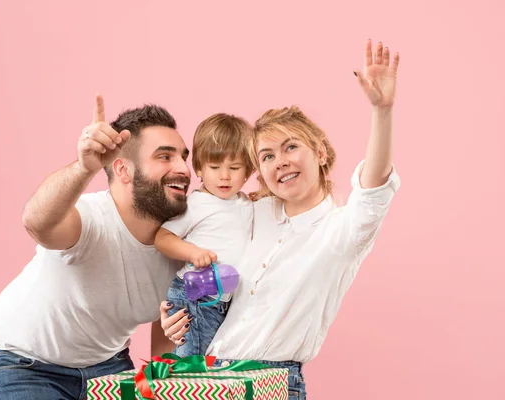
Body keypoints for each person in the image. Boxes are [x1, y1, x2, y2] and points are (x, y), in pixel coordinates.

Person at [160, 39, 402, 400]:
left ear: (320, 152)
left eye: (291, 147)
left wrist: (381, 112)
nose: (281, 161)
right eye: (268, 156)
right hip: (209, 377)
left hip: (271, 384)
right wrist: (178, 317)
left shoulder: (342, 231)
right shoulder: (250, 213)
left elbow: (373, 188)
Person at [0, 95, 190, 400]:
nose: (184, 169)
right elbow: (37, 224)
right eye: (165, 156)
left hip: (109, 365)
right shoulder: (91, 219)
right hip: (29, 363)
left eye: (183, 157)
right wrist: (84, 169)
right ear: (122, 170)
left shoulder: (182, 241)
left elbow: (167, 315)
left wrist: (165, 381)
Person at [154, 113, 255, 356]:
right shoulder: (197, 204)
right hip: (195, 297)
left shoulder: (246, 203)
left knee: (212, 365)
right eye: (214, 167)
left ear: (248, 172)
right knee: (193, 368)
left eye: (234, 168)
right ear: (198, 167)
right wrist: (194, 252)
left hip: (221, 300)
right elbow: (162, 237)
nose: (224, 176)